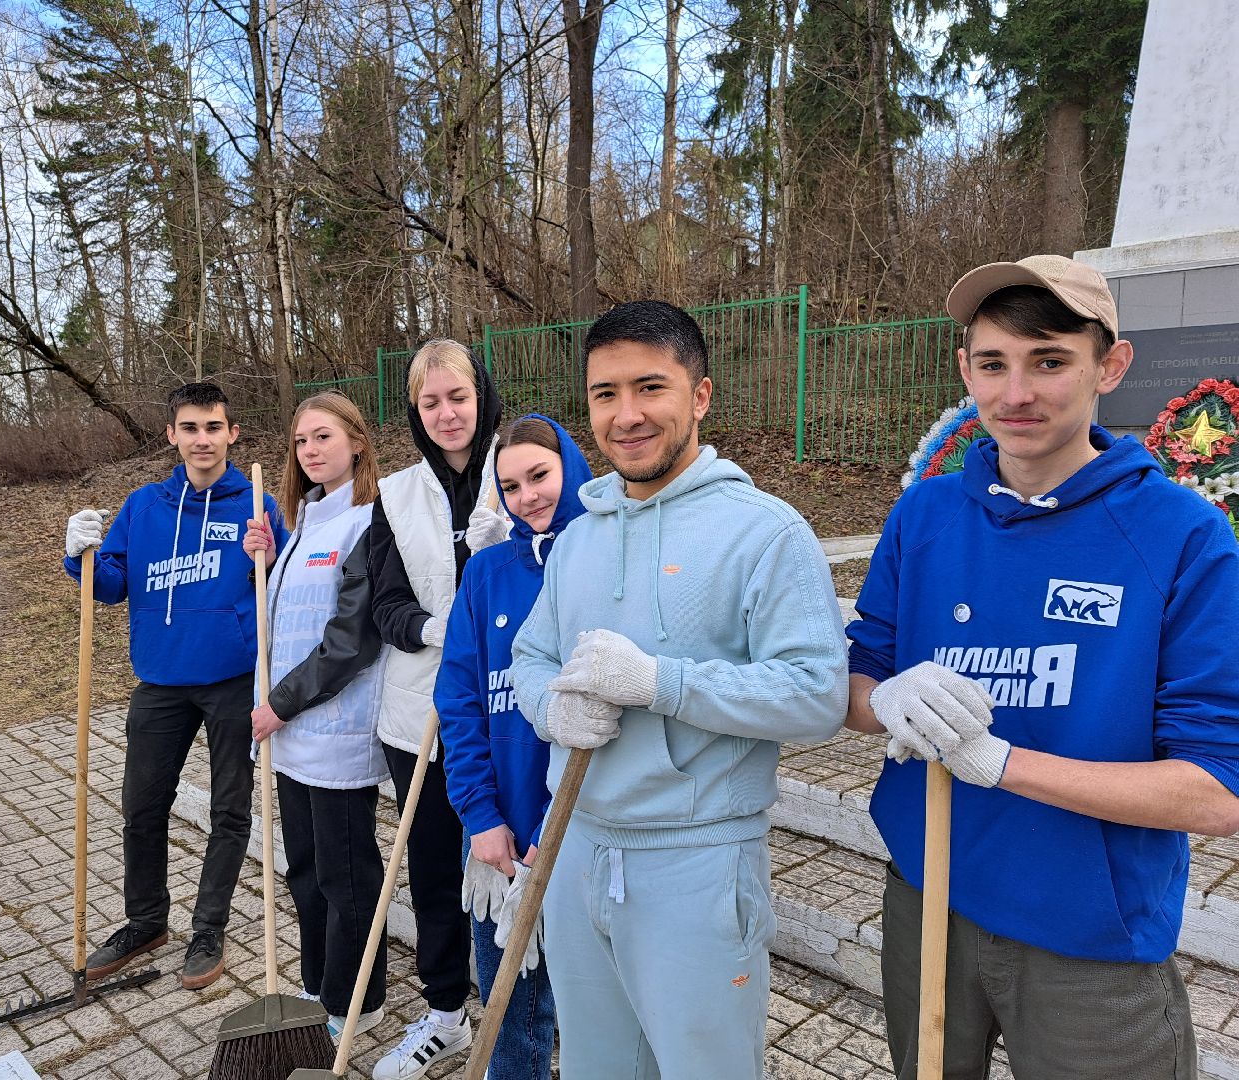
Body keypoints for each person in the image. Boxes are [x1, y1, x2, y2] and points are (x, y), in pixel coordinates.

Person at [844, 255, 1239, 1079]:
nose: (1016, 394)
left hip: (1088, 933)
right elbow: (853, 688)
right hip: (930, 897)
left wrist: (1003, 765)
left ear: (1110, 366)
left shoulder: (1184, 536)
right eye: (993, 364)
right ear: (966, 370)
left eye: (1050, 361)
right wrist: (888, 699)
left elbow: (1215, 792)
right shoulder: (924, 514)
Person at [510, 300, 849, 1079]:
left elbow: (817, 694)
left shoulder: (765, 532)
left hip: (695, 862)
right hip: (574, 847)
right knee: (596, 1067)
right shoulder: (578, 538)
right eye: (604, 394)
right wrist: (550, 705)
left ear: (699, 396)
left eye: (649, 387)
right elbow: (531, 656)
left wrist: (662, 683)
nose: (626, 415)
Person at [63, 381, 281, 990]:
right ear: (172, 435)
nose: (202, 439)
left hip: (233, 680)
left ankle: (208, 929)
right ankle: (145, 921)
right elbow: (108, 585)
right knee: (141, 806)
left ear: (231, 433)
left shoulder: (256, 502)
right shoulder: (144, 507)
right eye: (190, 428)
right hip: (159, 681)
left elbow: (283, 577)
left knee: (229, 810)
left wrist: (271, 551)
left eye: (213, 427)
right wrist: (80, 554)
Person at [434, 414, 593, 1080]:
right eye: (511, 485)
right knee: (511, 1014)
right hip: (500, 843)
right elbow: (460, 697)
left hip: (587, 833)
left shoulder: (601, 558)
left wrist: (561, 831)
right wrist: (480, 817)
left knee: (595, 1014)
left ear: (571, 469)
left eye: (540, 476)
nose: (528, 496)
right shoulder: (488, 572)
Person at [366, 338, 503, 1079]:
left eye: (458, 396)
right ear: (416, 412)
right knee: (435, 869)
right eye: (430, 402)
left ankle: (523, 1012)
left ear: (481, 395)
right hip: (420, 715)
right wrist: (433, 627)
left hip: (510, 715)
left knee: (511, 861)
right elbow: (384, 604)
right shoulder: (394, 494)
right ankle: (447, 1014)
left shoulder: (519, 470)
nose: (447, 413)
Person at [242, 391, 389, 1038]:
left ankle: (354, 1001)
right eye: (302, 442)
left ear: (357, 442)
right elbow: (289, 623)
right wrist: (270, 562)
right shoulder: (302, 523)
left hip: (335, 734)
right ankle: (316, 983)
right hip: (289, 736)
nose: (311, 451)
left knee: (345, 878)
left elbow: (350, 640)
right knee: (303, 872)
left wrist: (279, 704)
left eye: (324, 437)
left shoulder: (369, 522)